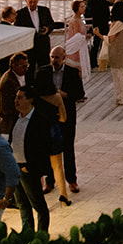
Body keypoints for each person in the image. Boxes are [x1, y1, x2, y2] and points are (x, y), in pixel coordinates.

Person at [35, 45, 83, 200]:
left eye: (56, 57)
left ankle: (72, 180)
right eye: (51, 57)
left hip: (67, 115)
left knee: (68, 147)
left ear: (64, 58)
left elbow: (80, 94)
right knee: (48, 148)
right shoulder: (43, 72)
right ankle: (50, 181)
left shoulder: (72, 72)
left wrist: (64, 95)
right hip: (48, 117)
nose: (53, 60)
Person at [9, 89, 52, 234]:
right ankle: (27, 234)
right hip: (15, 167)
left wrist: (31, 167)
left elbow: (44, 147)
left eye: (20, 98)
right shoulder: (17, 117)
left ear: (30, 100)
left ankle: (41, 235)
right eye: (16, 97)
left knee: (38, 205)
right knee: (22, 204)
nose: (16, 101)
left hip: (28, 169)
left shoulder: (39, 120)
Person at [16, 0, 56, 66]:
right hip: (28, 46)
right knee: (29, 70)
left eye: (34, 2)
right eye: (30, 2)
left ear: (37, 1)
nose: (32, 4)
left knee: (44, 68)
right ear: (26, 1)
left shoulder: (45, 10)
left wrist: (47, 29)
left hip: (43, 45)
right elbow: (17, 29)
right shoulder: (20, 13)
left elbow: (52, 24)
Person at [0, 51, 31, 134]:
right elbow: (7, 108)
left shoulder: (19, 75)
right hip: (9, 123)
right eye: (23, 66)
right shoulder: (8, 82)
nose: (25, 69)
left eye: (27, 66)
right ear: (14, 65)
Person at [85, 0, 111, 71]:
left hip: (104, 21)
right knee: (97, 42)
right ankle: (93, 62)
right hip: (99, 22)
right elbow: (95, 9)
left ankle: (104, 59)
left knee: (105, 41)